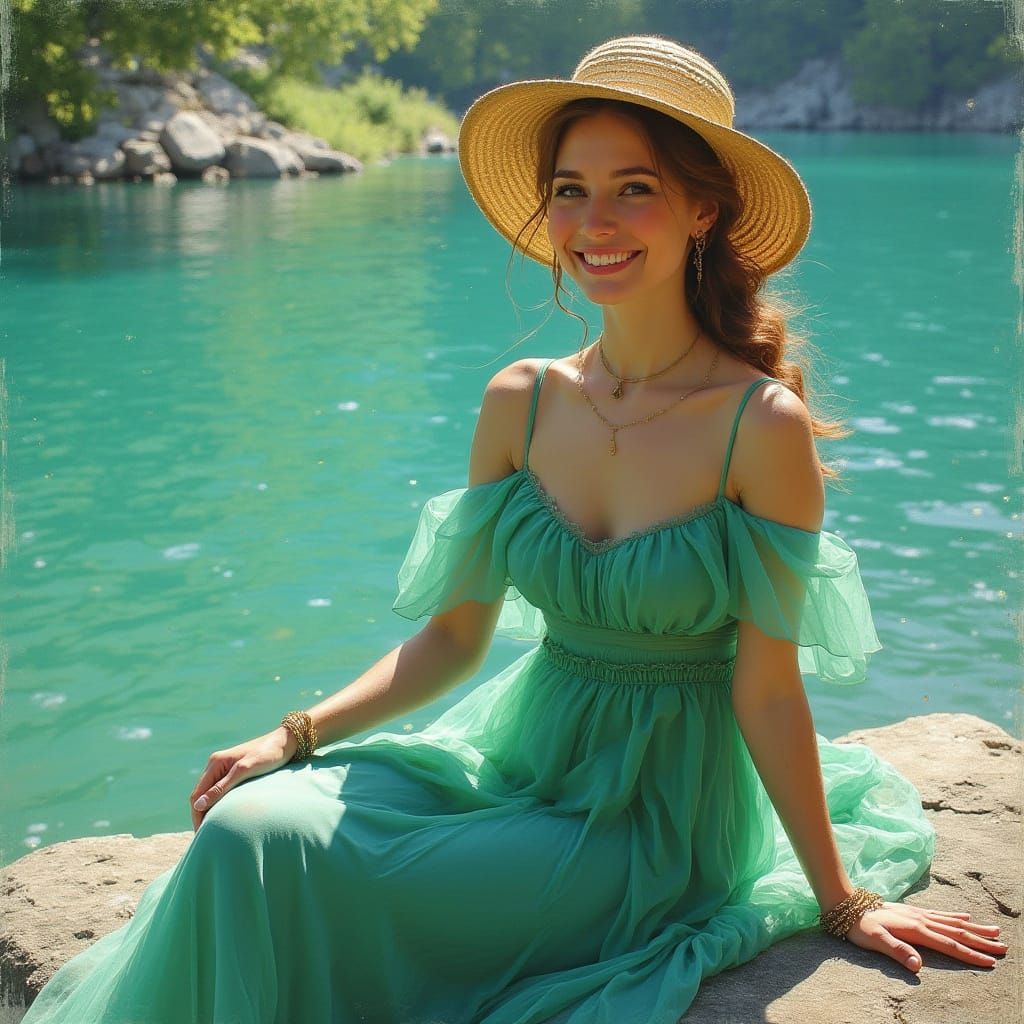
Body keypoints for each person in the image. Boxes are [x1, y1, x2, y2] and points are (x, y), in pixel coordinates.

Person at [22, 35, 1006, 1024]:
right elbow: (454, 638)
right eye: (570, 190)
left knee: (307, 879)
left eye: (634, 188)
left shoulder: (760, 427)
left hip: (651, 822)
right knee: (248, 828)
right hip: (516, 757)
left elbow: (766, 688)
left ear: (703, 208)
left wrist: (841, 900)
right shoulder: (521, 403)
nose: (595, 223)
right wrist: (293, 733)